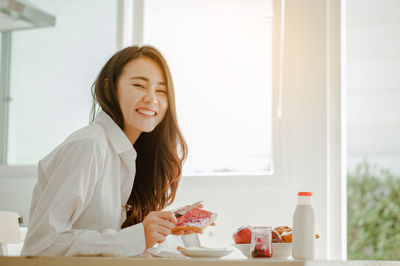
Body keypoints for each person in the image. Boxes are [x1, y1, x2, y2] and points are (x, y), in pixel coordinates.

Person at [21, 45, 189, 257]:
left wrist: (163, 231)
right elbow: (41, 246)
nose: (151, 98)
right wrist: (138, 237)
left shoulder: (129, 157)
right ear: (109, 89)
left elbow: (114, 244)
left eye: (161, 91)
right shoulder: (90, 146)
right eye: (139, 85)